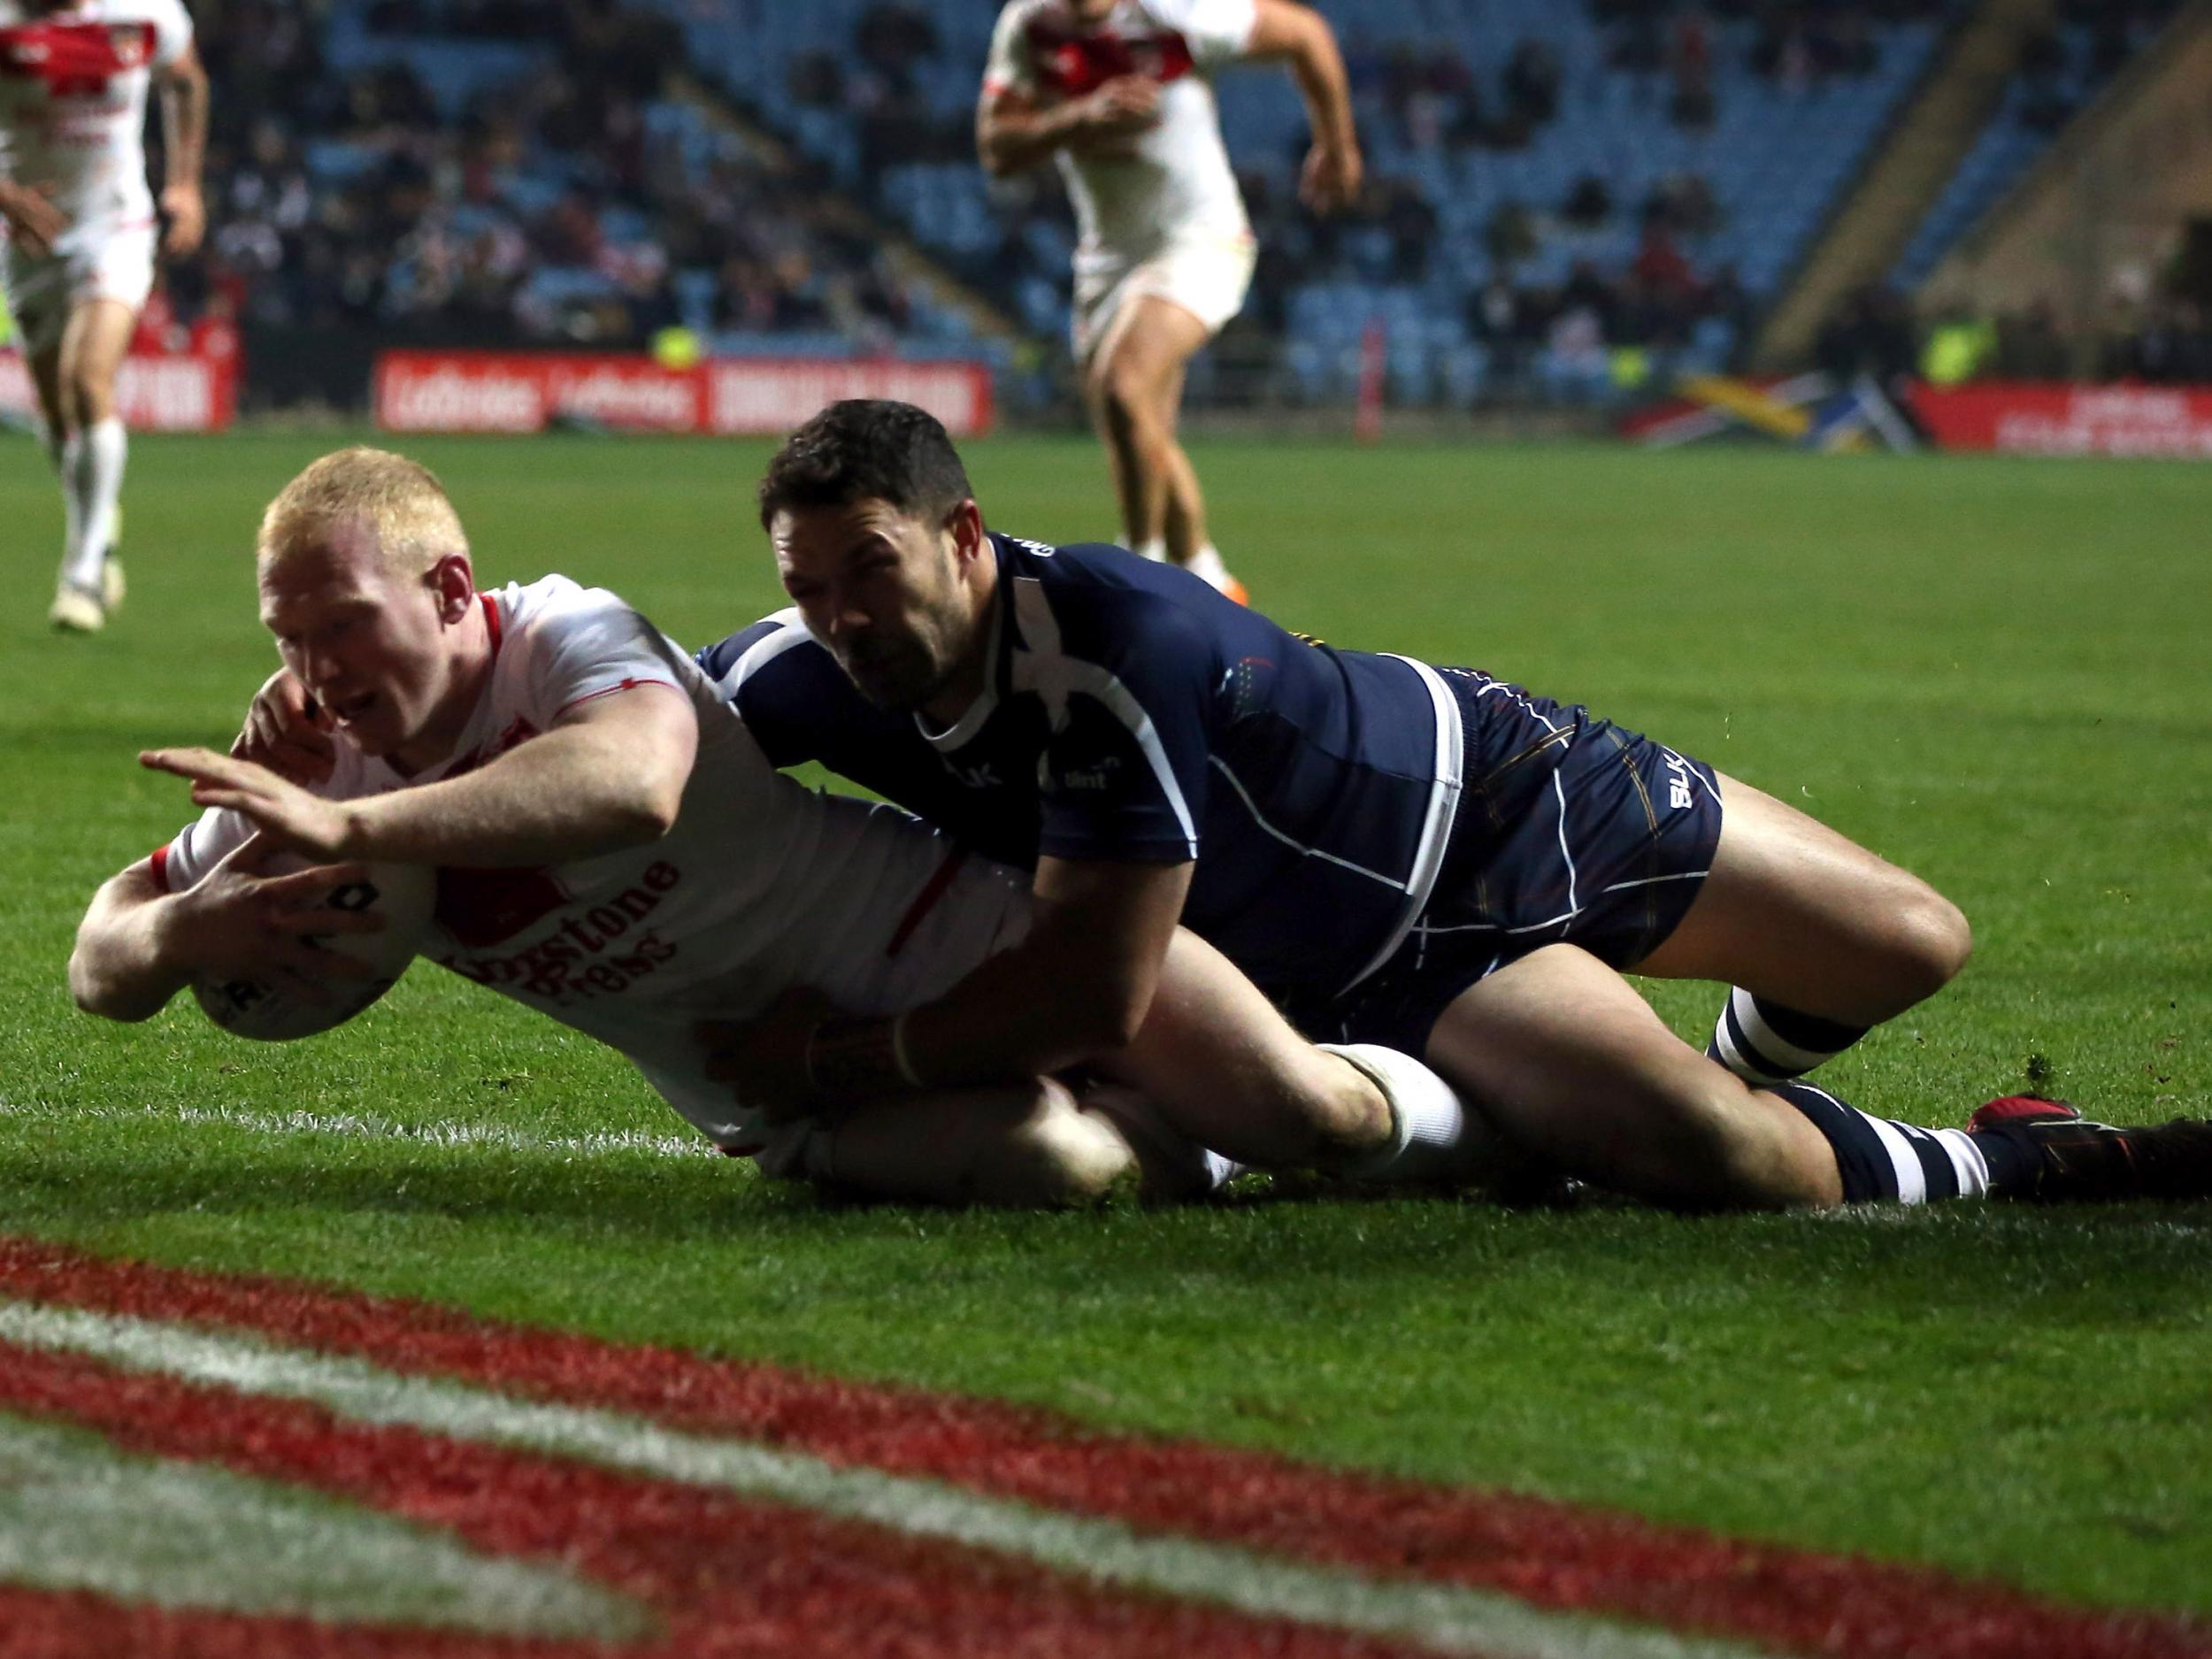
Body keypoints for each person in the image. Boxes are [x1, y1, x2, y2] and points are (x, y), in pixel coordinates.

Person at [693, 399, 2212, 1210]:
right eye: (808, 589)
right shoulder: (799, 673)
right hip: (1402, 965)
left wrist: (838, 1061)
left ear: (964, 535)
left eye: (871, 570)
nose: (842, 620)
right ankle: (2048, 1157)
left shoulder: (1109, 647)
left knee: (1910, 943)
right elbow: (633, 717)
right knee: (1719, 1161)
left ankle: (1721, 1074)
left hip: (1502, 776)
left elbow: (1092, 984)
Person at [70, 447, 1489, 1208]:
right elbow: (101, 960)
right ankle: (1189, 1138)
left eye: (344, 624)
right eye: (289, 636)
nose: (317, 671)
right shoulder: (323, 768)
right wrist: (196, 919)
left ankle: (1494, 1119)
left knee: (1306, 1111)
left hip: (967, 930)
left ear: (450, 589)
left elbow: (629, 785)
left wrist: (355, 821)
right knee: (1061, 1165)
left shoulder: (568, 632)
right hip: (794, 1097)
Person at [977, 0, 1360, 602]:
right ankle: (1207, 576)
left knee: (1124, 385)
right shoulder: (1029, 25)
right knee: (1138, 427)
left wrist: (1336, 145)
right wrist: (1080, 117)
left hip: (1199, 239)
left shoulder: (1173, 10)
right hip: (1107, 260)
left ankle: (1135, 579)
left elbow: (1305, 33)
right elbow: (997, 147)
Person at [0, 0, 206, 634]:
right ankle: (97, 520)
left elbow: (187, 80)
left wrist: (186, 184)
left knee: (88, 380)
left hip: (116, 227)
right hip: (27, 233)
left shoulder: (145, 12)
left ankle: (84, 569)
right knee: (56, 409)